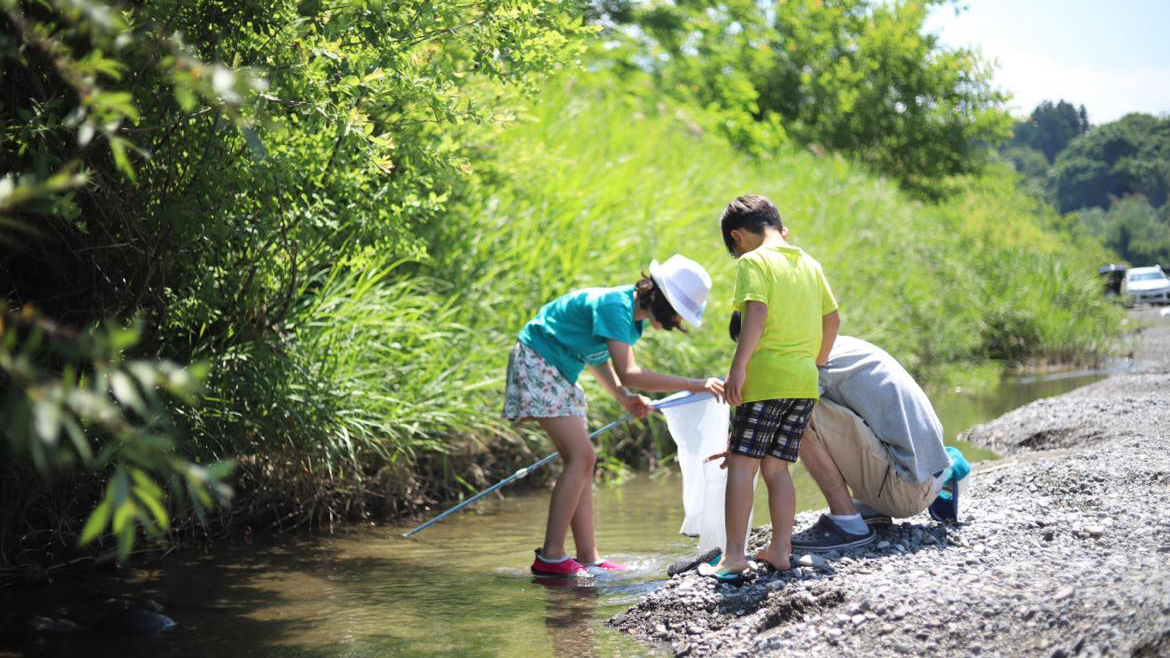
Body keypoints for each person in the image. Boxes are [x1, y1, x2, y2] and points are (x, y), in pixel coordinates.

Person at [503, 254, 725, 577]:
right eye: (678, 314)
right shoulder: (615, 307)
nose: (678, 323)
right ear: (662, 300)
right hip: (538, 363)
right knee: (582, 457)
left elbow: (595, 357)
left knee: (583, 461)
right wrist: (698, 385)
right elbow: (631, 372)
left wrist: (623, 397)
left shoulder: (626, 314)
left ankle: (588, 557)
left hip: (559, 371)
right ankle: (550, 558)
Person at [727, 311, 959, 551]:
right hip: (925, 476)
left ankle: (846, 522)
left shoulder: (809, 362)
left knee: (797, 408)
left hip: (906, 488)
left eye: (752, 346)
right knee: (796, 404)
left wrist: (741, 450)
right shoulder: (833, 346)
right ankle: (867, 507)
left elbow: (777, 417)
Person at [702, 195, 840, 579]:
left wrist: (738, 369)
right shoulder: (810, 264)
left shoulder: (753, 261)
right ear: (778, 225)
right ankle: (781, 549)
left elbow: (757, 314)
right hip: (803, 383)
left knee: (743, 466)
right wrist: (817, 363)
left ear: (737, 237)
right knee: (778, 469)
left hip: (766, 379)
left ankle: (733, 556)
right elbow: (833, 319)